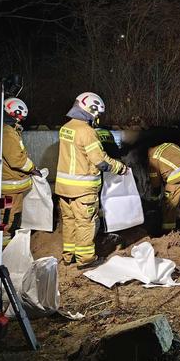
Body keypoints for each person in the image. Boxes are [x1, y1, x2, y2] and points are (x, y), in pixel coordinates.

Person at [56, 92, 128, 269]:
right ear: (91, 109)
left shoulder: (66, 128)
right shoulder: (87, 132)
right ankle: (86, 260)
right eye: (97, 113)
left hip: (64, 188)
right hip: (83, 189)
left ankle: (69, 256)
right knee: (85, 223)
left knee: (69, 221)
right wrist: (121, 168)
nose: (97, 117)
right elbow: (101, 161)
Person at [0, 97, 41, 246]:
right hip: (10, 185)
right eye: (18, 118)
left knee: (3, 216)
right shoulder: (6, 132)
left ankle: (3, 247)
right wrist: (33, 169)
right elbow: (17, 160)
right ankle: (6, 251)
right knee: (10, 219)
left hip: (2, 182)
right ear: (12, 113)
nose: (19, 122)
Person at [147, 142, 180, 232]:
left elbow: (156, 185)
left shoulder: (152, 159)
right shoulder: (168, 144)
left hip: (178, 175)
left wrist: (154, 200)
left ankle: (168, 231)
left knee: (168, 204)